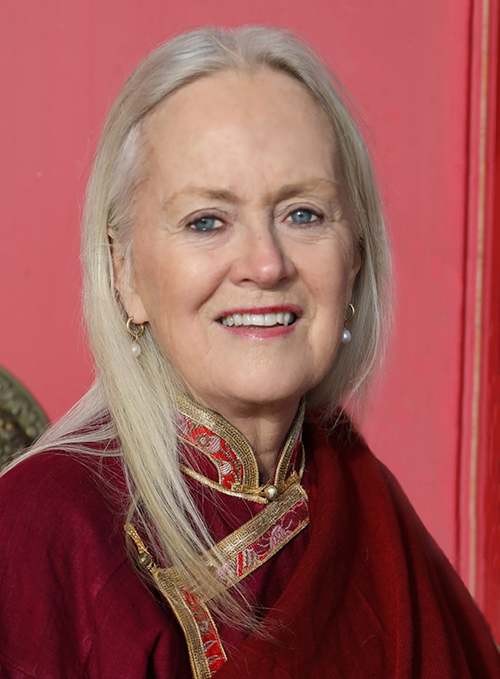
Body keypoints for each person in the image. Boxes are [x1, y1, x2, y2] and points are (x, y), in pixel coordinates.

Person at [0, 26, 498, 679]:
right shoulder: (41, 529)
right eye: (207, 221)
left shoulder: (367, 503)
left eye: (304, 214)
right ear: (124, 271)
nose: (266, 264)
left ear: (355, 257)